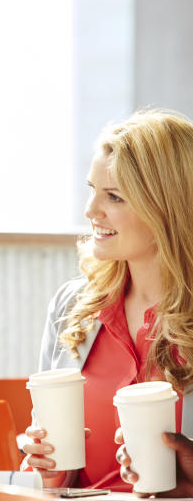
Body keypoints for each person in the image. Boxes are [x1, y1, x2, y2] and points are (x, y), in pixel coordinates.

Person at [23, 109, 193, 491]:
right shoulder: (71, 307)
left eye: (113, 197)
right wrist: (47, 471)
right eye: (92, 190)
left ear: (167, 208)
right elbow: (52, 476)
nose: (90, 211)